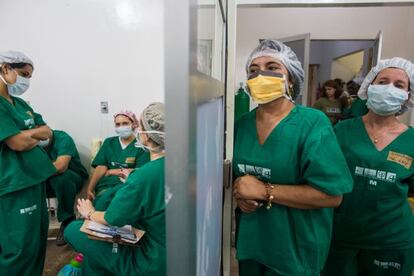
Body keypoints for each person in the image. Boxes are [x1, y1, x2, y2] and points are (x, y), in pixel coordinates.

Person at [232, 39, 353, 276]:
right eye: (253, 70)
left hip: (295, 252)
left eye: (272, 67)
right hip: (252, 245)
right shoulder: (242, 125)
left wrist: (265, 190)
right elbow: (242, 182)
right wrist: (241, 195)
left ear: (291, 79)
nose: (260, 75)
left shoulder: (312, 123)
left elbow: (332, 196)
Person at [322, 57, 414, 276]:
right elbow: (323, 177)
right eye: (382, 82)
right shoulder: (341, 131)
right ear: (369, 86)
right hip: (341, 237)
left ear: (407, 96)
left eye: (399, 85)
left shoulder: (411, 140)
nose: (389, 88)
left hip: (391, 241)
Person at [64, 102, 166, 276]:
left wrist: (89, 213)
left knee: (73, 230)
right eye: (117, 124)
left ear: (147, 135)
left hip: (153, 261)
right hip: (182, 251)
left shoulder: (143, 176)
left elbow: (114, 218)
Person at [0, 51, 56, 275]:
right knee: (19, 248)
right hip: (13, 185)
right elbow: (18, 143)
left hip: (33, 180)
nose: (26, 81)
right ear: (5, 69)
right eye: (23, 74)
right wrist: (33, 134)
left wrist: (30, 133)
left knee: (37, 242)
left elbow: (48, 132)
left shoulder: (21, 103)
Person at [86, 110, 149, 209]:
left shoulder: (141, 144)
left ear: (133, 124)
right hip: (107, 184)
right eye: (118, 124)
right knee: (102, 200)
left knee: (116, 200)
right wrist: (90, 189)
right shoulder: (109, 142)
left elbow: (141, 171)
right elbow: (101, 167)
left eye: (125, 123)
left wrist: (111, 171)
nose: (121, 127)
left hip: (128, 184)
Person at [41, 129, 89, 246]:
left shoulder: (62, 138)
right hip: (44, 180)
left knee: (63, 177)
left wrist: (37, 170)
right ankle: (34, 223)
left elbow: (61, 166)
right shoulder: (27, 142)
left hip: (71, 180)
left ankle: (67, 219)